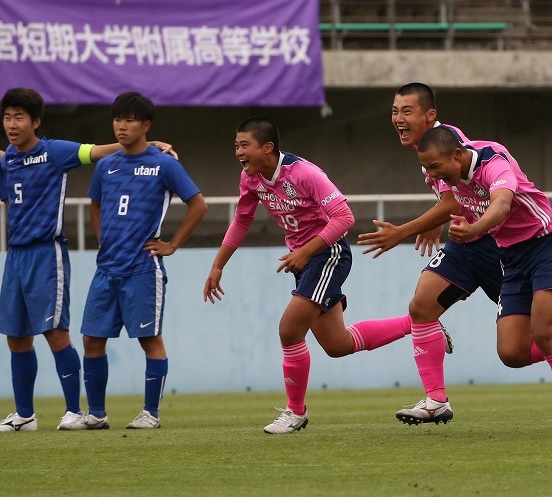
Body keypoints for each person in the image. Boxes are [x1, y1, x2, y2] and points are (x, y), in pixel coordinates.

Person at [358, 83, 552, 425]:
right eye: (394, 112)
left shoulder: (456, 147)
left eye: (406, 111)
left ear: (429, 115)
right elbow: (450, 199)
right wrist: (434, 220)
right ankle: (436, 399)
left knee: (538, 334)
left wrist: (405, 230)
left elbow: (465, 199)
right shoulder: (429, 155)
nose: (398, 119)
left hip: (495, 244)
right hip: (468, 246)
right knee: (422, 306)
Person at [202, 117, 415, 434]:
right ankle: (420, 324)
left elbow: (344, 217)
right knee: (337, 344)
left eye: (244, 145)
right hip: (304, 262)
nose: (238, 153)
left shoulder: (304, 173)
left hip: (328, 255)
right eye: (236, 146)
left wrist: (305, 251)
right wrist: (218, 264)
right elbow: (242, 221)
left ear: (268, 147)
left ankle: (295, 412)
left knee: (289, 330)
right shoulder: (251, 179)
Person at [0, 86, 174, 432]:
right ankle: (24, 414)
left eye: (19, 117)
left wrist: (143, 146)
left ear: (35, 121)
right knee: (16, 337)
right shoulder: (7, 161)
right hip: (14, 256)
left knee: (55, 332)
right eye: (7, 117)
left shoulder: (55, 152)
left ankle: (73, 410)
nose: (12, 124)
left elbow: (95, 152)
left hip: (46, 253)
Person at [415, 125, 552, 438]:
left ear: (458, 155)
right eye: (427, 168)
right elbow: (454, 205)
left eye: (436, 167)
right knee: (512, 353)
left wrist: (474, 230)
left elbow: (501, 204)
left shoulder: (493, 162)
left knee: (544, 333)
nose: (433, 174)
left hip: (548, 246)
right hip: (511, 258)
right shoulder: (448, 176)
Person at [79, 92, 207, 430]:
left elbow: (199, 205)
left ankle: (151, 413)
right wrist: (102, 238)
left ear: (146, 125)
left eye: (130, 119)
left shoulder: (164, 164)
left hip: (142, 268)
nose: (122, 126)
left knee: (149, 339)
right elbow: (95, 204)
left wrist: (172, 244)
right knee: (92, 338)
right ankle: (96, 414)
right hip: (107, 268)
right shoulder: (106, 165)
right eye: (117, 119)